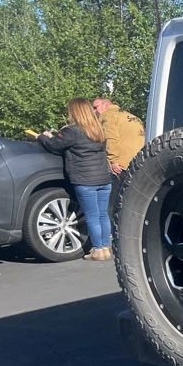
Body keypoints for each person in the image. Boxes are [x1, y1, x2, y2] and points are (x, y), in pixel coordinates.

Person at [38, 99, 113, 261]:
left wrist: (42, 137)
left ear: (75, 112)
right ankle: (106, 248)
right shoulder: (98, 129)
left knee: (92, 216)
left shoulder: (72, 131)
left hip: (85, 181)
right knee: (102, 215)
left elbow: (54, 146)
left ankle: (98, 250)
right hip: (104, 179)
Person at [92, 97, 145, 217]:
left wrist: (113, 160)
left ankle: (110, 233)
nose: (94, 111)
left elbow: (110, 138)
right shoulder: (133, 117)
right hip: (137, 163)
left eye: (95, 107)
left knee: (111, 203)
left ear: (105, 105)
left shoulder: (108, 116)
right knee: (128, 202)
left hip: (120, 166)